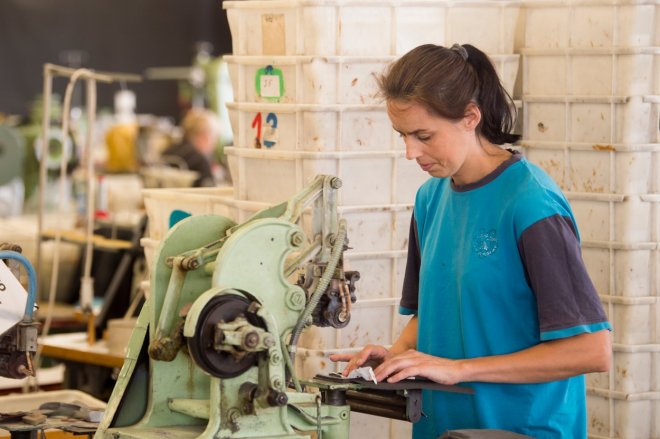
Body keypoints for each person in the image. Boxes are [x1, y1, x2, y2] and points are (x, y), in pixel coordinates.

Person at [330, 44, 612, 438]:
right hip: (444, 427)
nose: (411, 152)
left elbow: (591, 350)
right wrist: (397, 356)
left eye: (424, 135)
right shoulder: (430, 199)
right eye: (403, 135)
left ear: (470, 117)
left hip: (517, 428)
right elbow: (430, 314)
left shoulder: (531, 204)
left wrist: (459, 368)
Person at [161, 108, 220, 187]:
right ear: (204, 135)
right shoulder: (200, 160)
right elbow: (211, 190)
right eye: (215, 137)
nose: (215, 143)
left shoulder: (168, 151)